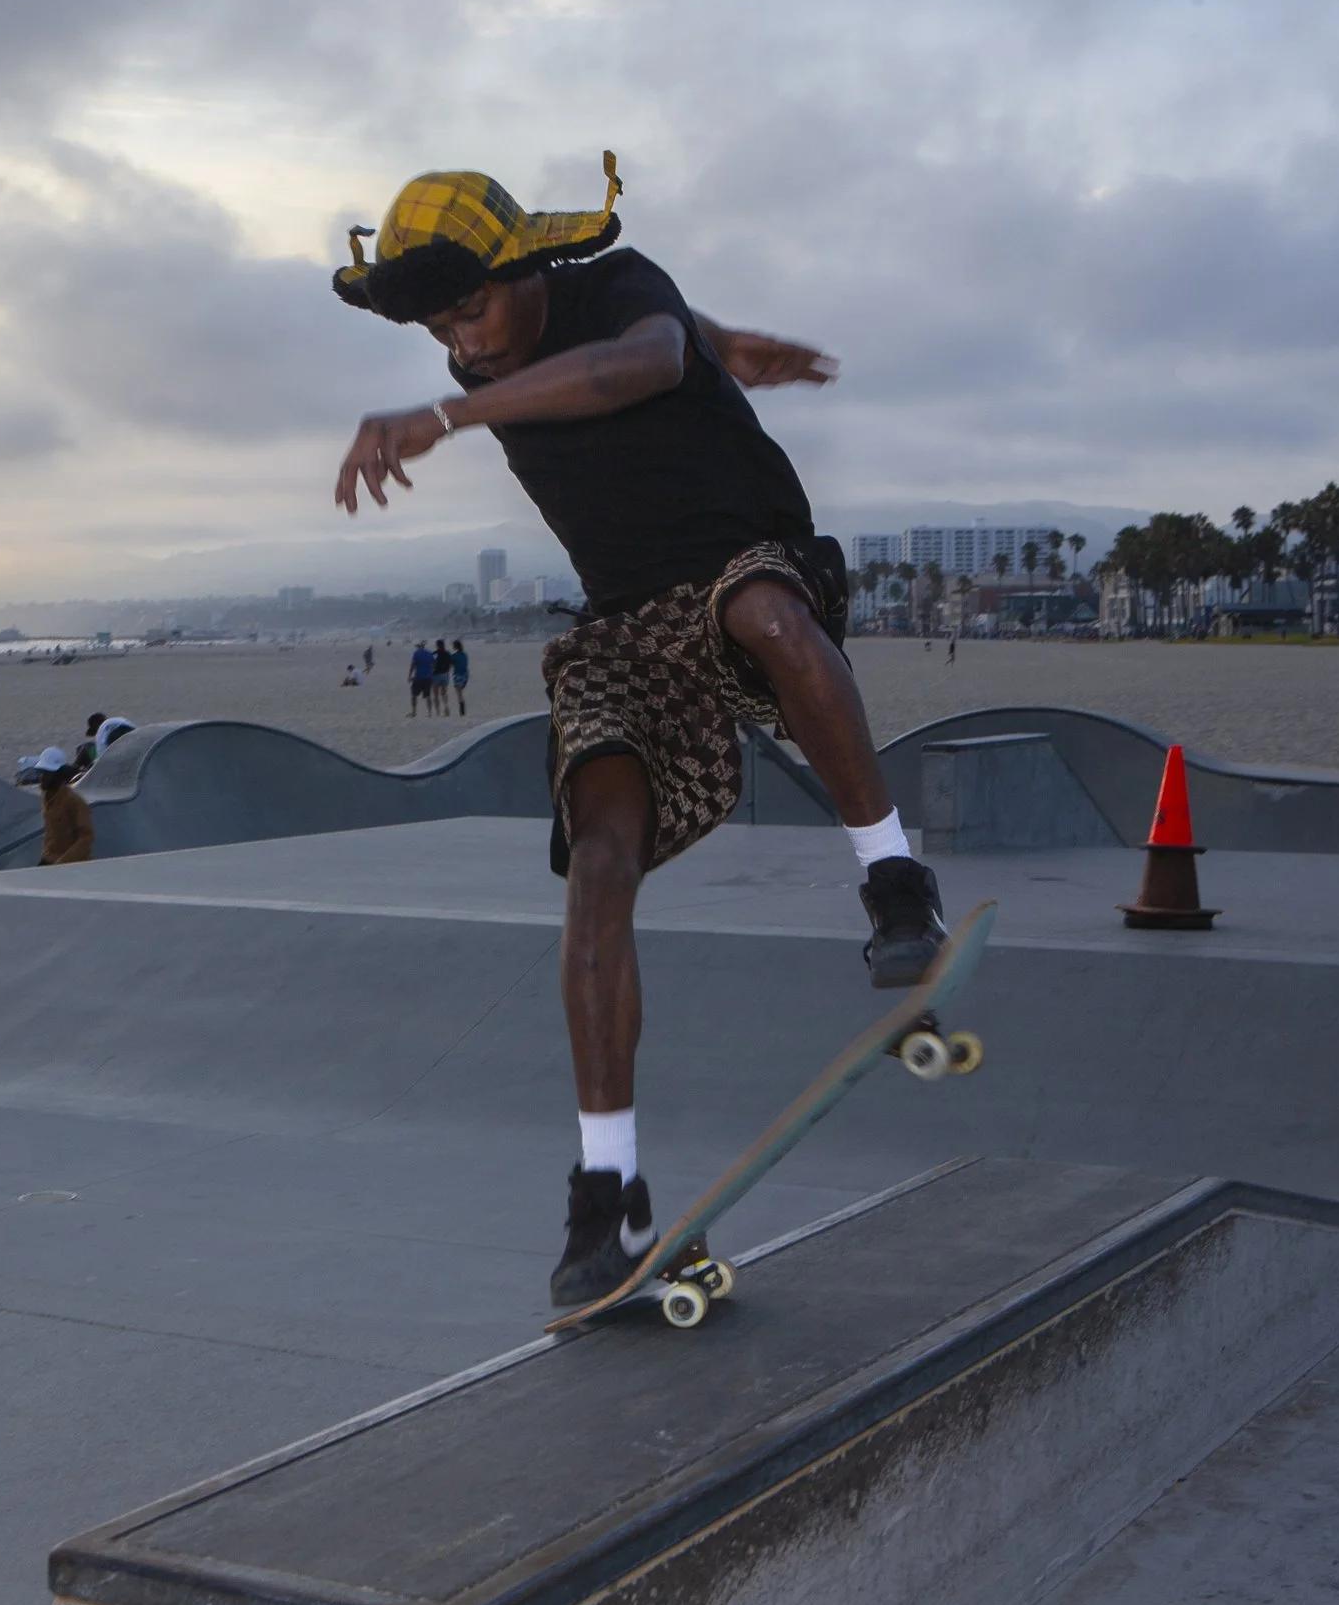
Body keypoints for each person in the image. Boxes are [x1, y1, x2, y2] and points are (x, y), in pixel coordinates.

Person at [329, 153, 947, 1307]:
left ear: (526, 268)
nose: (463, 343)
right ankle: (605, 1188)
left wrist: (452, 417)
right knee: (597, 859)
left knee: (764, 611)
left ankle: (894, 878)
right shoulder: (519, 332)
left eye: (472, 308)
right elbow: (683, 333)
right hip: (621, 628)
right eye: (437, 333)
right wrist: (728, 336)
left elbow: (636, 363)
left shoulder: (615, 289)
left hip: (743, 561)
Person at [17, 746, 94, 864]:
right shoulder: (46, 796)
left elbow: (86, 836)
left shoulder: (74, 801)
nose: (42, 778)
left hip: (71, 864)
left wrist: (64, 861)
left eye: (47, 774)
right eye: (41, 773)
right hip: (49, 859)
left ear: (58, 775)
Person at [406, 639, 434, 716]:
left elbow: (412, 665)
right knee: (428, 696)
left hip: (418, 677)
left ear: (419, 647)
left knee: (414, 695)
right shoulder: (429, 653)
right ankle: (430, 712)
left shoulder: (416, 653)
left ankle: (414, 711)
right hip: (428, 677)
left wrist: (409, 676)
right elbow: (434, 665)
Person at [430, 639, 455, 714]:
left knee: (435, 694)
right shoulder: (447, 653)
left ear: (437, 645)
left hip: (436, 675)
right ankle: (446, 707)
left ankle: (438, 711)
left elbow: (431, 665)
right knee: (444, 693)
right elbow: (451, 664)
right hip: (445, 675)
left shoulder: (434, 654)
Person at [450, 638, 470, 714]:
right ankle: (462, 708)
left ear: (455, 646)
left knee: (459, 693)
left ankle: (462, 708)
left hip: (458, 675)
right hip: (465, 674)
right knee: (460, 691)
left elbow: (451, 664)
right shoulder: (465, 654)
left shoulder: (453, 655)